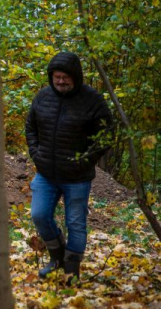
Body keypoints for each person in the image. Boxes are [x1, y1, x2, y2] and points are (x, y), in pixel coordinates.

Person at [26, 51, 112, 284]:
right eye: (57, 77)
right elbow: (30, 127)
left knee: (76, 222)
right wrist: (36, 153)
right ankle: (57, 259)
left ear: (75, 77)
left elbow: (106, 135)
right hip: (46, 173)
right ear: (51, 77)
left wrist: (85, 160)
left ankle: (71, 270)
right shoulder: (42, 97)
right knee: (40, 215)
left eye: (65, 77)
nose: (61, 81)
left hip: (77, 177)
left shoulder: (92, 100)